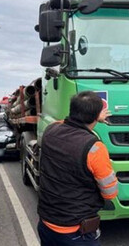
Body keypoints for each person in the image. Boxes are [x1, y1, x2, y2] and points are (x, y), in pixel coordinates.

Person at [37, 91, 117, 246]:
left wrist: (92, 116)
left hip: (46, 223)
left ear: (72, 110)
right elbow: (110, 193)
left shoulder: (50, 131)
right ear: (96, 116)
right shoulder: (95, 148)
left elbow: (61, 122)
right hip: (76, 232)